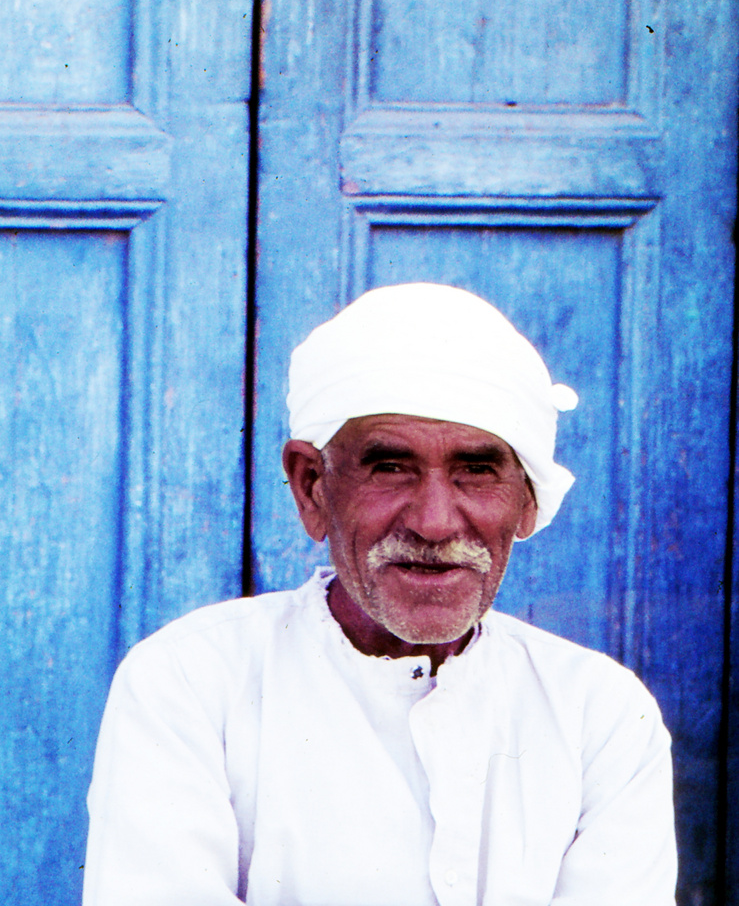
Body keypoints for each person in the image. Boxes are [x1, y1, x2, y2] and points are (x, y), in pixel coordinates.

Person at [83, 283, 677, 906]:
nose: (435, 522)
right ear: (312, 487)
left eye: (478, 470)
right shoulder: (188, 684)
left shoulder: (600, 716)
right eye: (390, 467)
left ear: (526, 502)